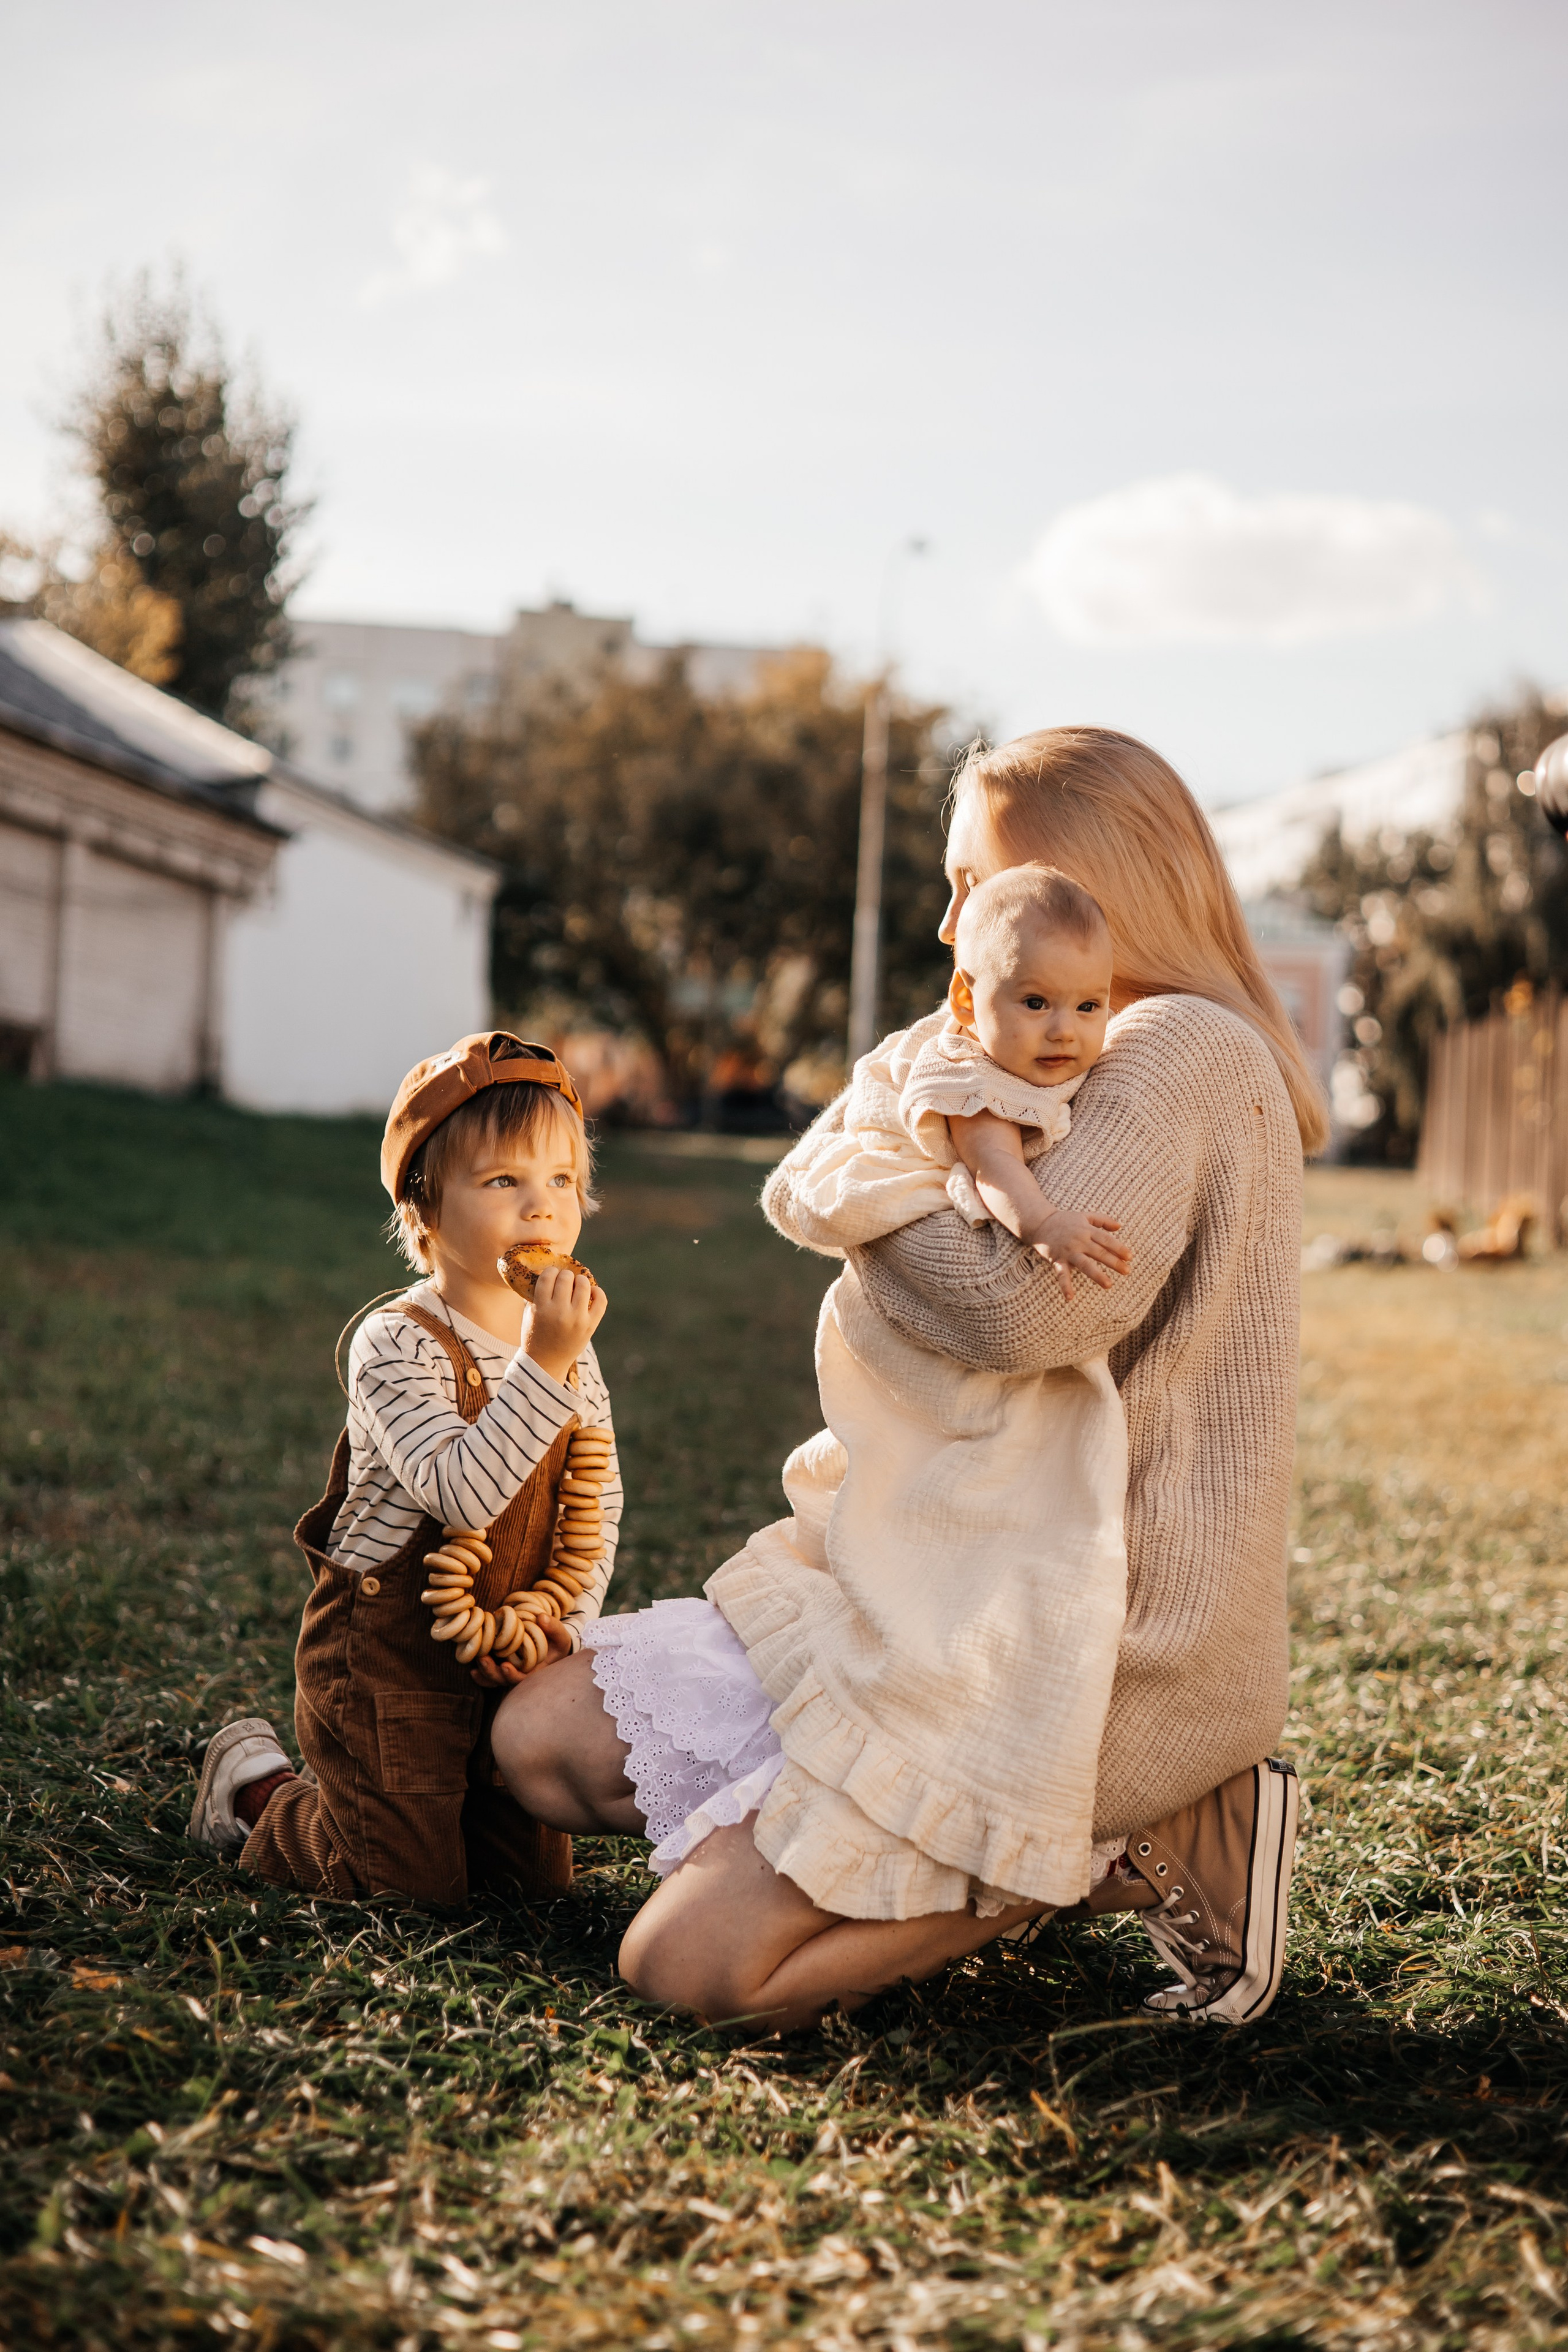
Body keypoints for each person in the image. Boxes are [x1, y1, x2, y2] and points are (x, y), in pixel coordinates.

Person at [494, 726, 1317, 2029]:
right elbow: (880, 1163)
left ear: (1093, 883)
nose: (949, 929)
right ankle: (885, 1821)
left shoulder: (1176, 1051)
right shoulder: (1054, 1049)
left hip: (1077, 1643)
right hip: (938, 1573)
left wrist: (860, 1185)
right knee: (539, 1744)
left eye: (972, 886)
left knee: (690, 1970)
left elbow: (1007, 1308)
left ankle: (1115, 1844)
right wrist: (880, 1161)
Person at [187, 1032, 620, 1907]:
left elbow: (595, 1502)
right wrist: (544, 1363)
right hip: (389, 1663)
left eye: (562, 1180)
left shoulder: (568, 1348)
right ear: (423, 1214)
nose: (542, 1208)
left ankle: (431, 1815)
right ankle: (259, 1794)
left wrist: (562, 1626)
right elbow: (459, 1492)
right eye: (504, 1181)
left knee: (528, 1894)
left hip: (507, 1659)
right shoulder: (396, 1343)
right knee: (400, 1889)